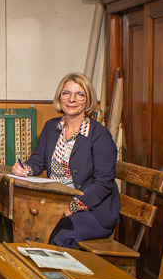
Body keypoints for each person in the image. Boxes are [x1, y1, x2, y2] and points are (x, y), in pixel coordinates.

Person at [12, 72, 119, 249]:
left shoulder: (100, 135)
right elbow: (38, 161)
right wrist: (26, 169)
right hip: (57, 204)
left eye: (80, 94)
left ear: (88, 100)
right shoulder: (51, 127)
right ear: (60, 97)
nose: (72, 99)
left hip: (92, 211)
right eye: (66, 93)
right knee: (24, 226)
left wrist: (69, 209)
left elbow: (103, 184)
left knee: (54, 234)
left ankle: (59, 277)